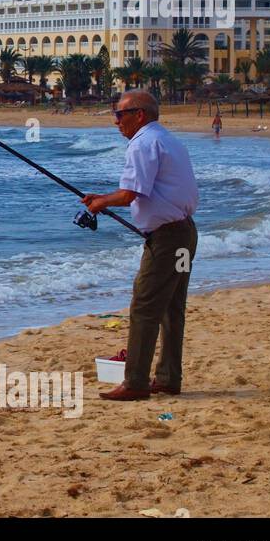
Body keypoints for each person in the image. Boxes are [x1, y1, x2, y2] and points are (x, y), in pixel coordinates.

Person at [81, 90, 199, 401]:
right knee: (172, 308)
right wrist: (104, 199)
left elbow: (131, 193)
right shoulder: (168, 139)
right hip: (186, 234)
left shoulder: (143, 143)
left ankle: (135, 382)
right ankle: (169, 378)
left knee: (145, 307)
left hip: (169, 239)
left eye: (120, 115)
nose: (115, 122)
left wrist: (100, 202)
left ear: (139, 115)